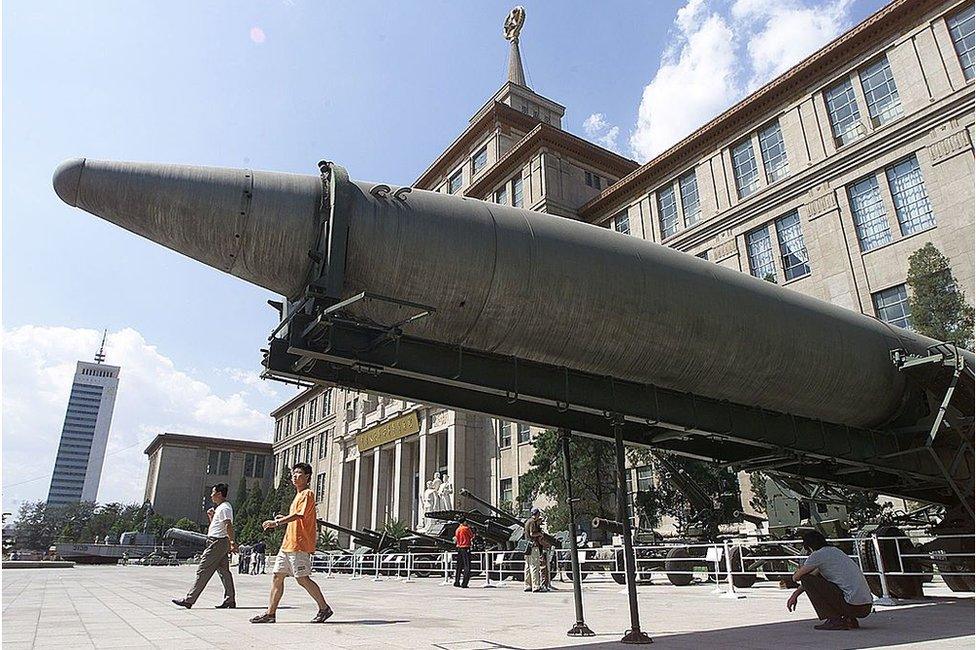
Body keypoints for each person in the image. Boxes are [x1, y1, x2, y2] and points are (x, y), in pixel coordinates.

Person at [251, 463, 333, 624]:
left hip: (299, 544)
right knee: (277, 576)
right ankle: (270, 614)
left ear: (308, 477)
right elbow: (295, 516)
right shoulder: (298, 495)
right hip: (287, 544)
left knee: (302, 579)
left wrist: (278, 522)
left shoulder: (307, 494)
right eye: (294, 474)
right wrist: (284, 517)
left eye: (299, 473)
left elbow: (299, 515)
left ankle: (324, 608)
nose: (295, 476)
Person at [787, 530, 873, 630]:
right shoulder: (835, 551)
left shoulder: (818, 555)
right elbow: (814, 576)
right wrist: (795, 594)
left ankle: (835, 620)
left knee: (805, 578)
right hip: (865, 607)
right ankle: (849, 619)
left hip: (852, 605)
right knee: (824, 579)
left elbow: (796, 577)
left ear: (808, 547)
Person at [172, 483, 237, 609]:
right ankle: (230, 599)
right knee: (224, 572)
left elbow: (228, 525)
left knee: (203, 570)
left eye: (213, 492)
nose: (211, 495)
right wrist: (211, 517)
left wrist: (232, 542)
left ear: (219, 494)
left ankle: (189, 599)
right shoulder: (221, 508)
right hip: (219, 541)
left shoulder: (224, 508)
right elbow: (218, 526)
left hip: (217, 542)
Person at [523, 507, 548, 592]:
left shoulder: (527, 522)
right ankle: (536, 586)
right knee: (534, 566)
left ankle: (527, 585)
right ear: (537, 514)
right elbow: (532, 533)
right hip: (533, 546)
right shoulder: (533, 522)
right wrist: (540, 534)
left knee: (527, 566)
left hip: (527, 547)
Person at [453, 516, 474, 588]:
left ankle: (457, 581)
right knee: (467, 566)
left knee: (459, 566)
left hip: (459, 548)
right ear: (464, 521)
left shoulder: (457, 529)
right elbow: (471, 536)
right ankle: (464, 583)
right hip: (466, 547)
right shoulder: (466, 528)